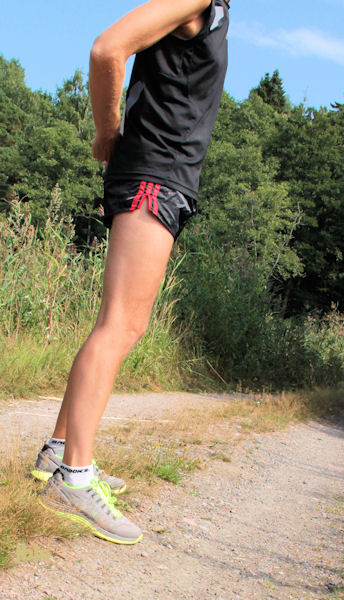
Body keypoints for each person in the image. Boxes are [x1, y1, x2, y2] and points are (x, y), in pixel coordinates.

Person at [32, 0, 230, 545]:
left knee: (114, 323)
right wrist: (106, 131)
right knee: (121, 325)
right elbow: (107, 49)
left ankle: (56, 453)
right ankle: (74, 478)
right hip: (153, 175)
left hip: (163, 176)